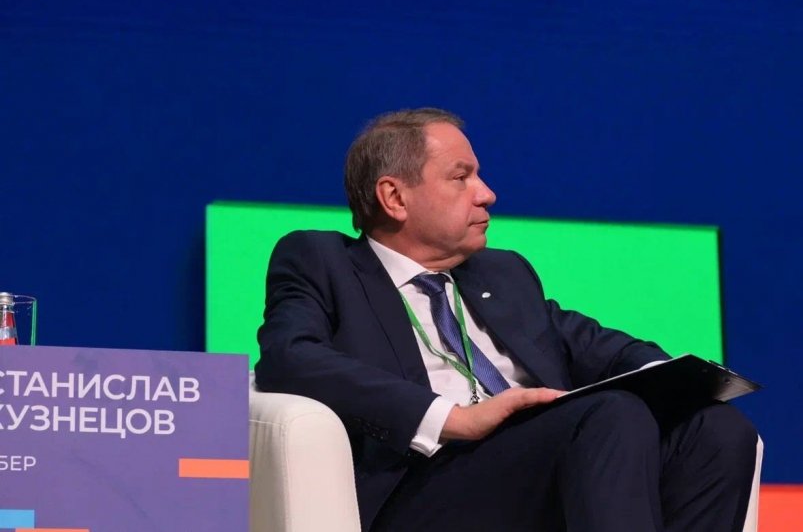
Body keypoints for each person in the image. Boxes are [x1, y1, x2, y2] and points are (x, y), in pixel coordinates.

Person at [255, 108, 757, 532]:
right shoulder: (323, 262)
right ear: (395, 198)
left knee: (715, 429)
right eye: (461, 177)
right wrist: (453, 419)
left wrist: (672, 380)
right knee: (611, 414)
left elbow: (594, 343)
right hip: (420, 489)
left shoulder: (501, 273)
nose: (487, 193)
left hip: (537, 471)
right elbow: (288, 358)